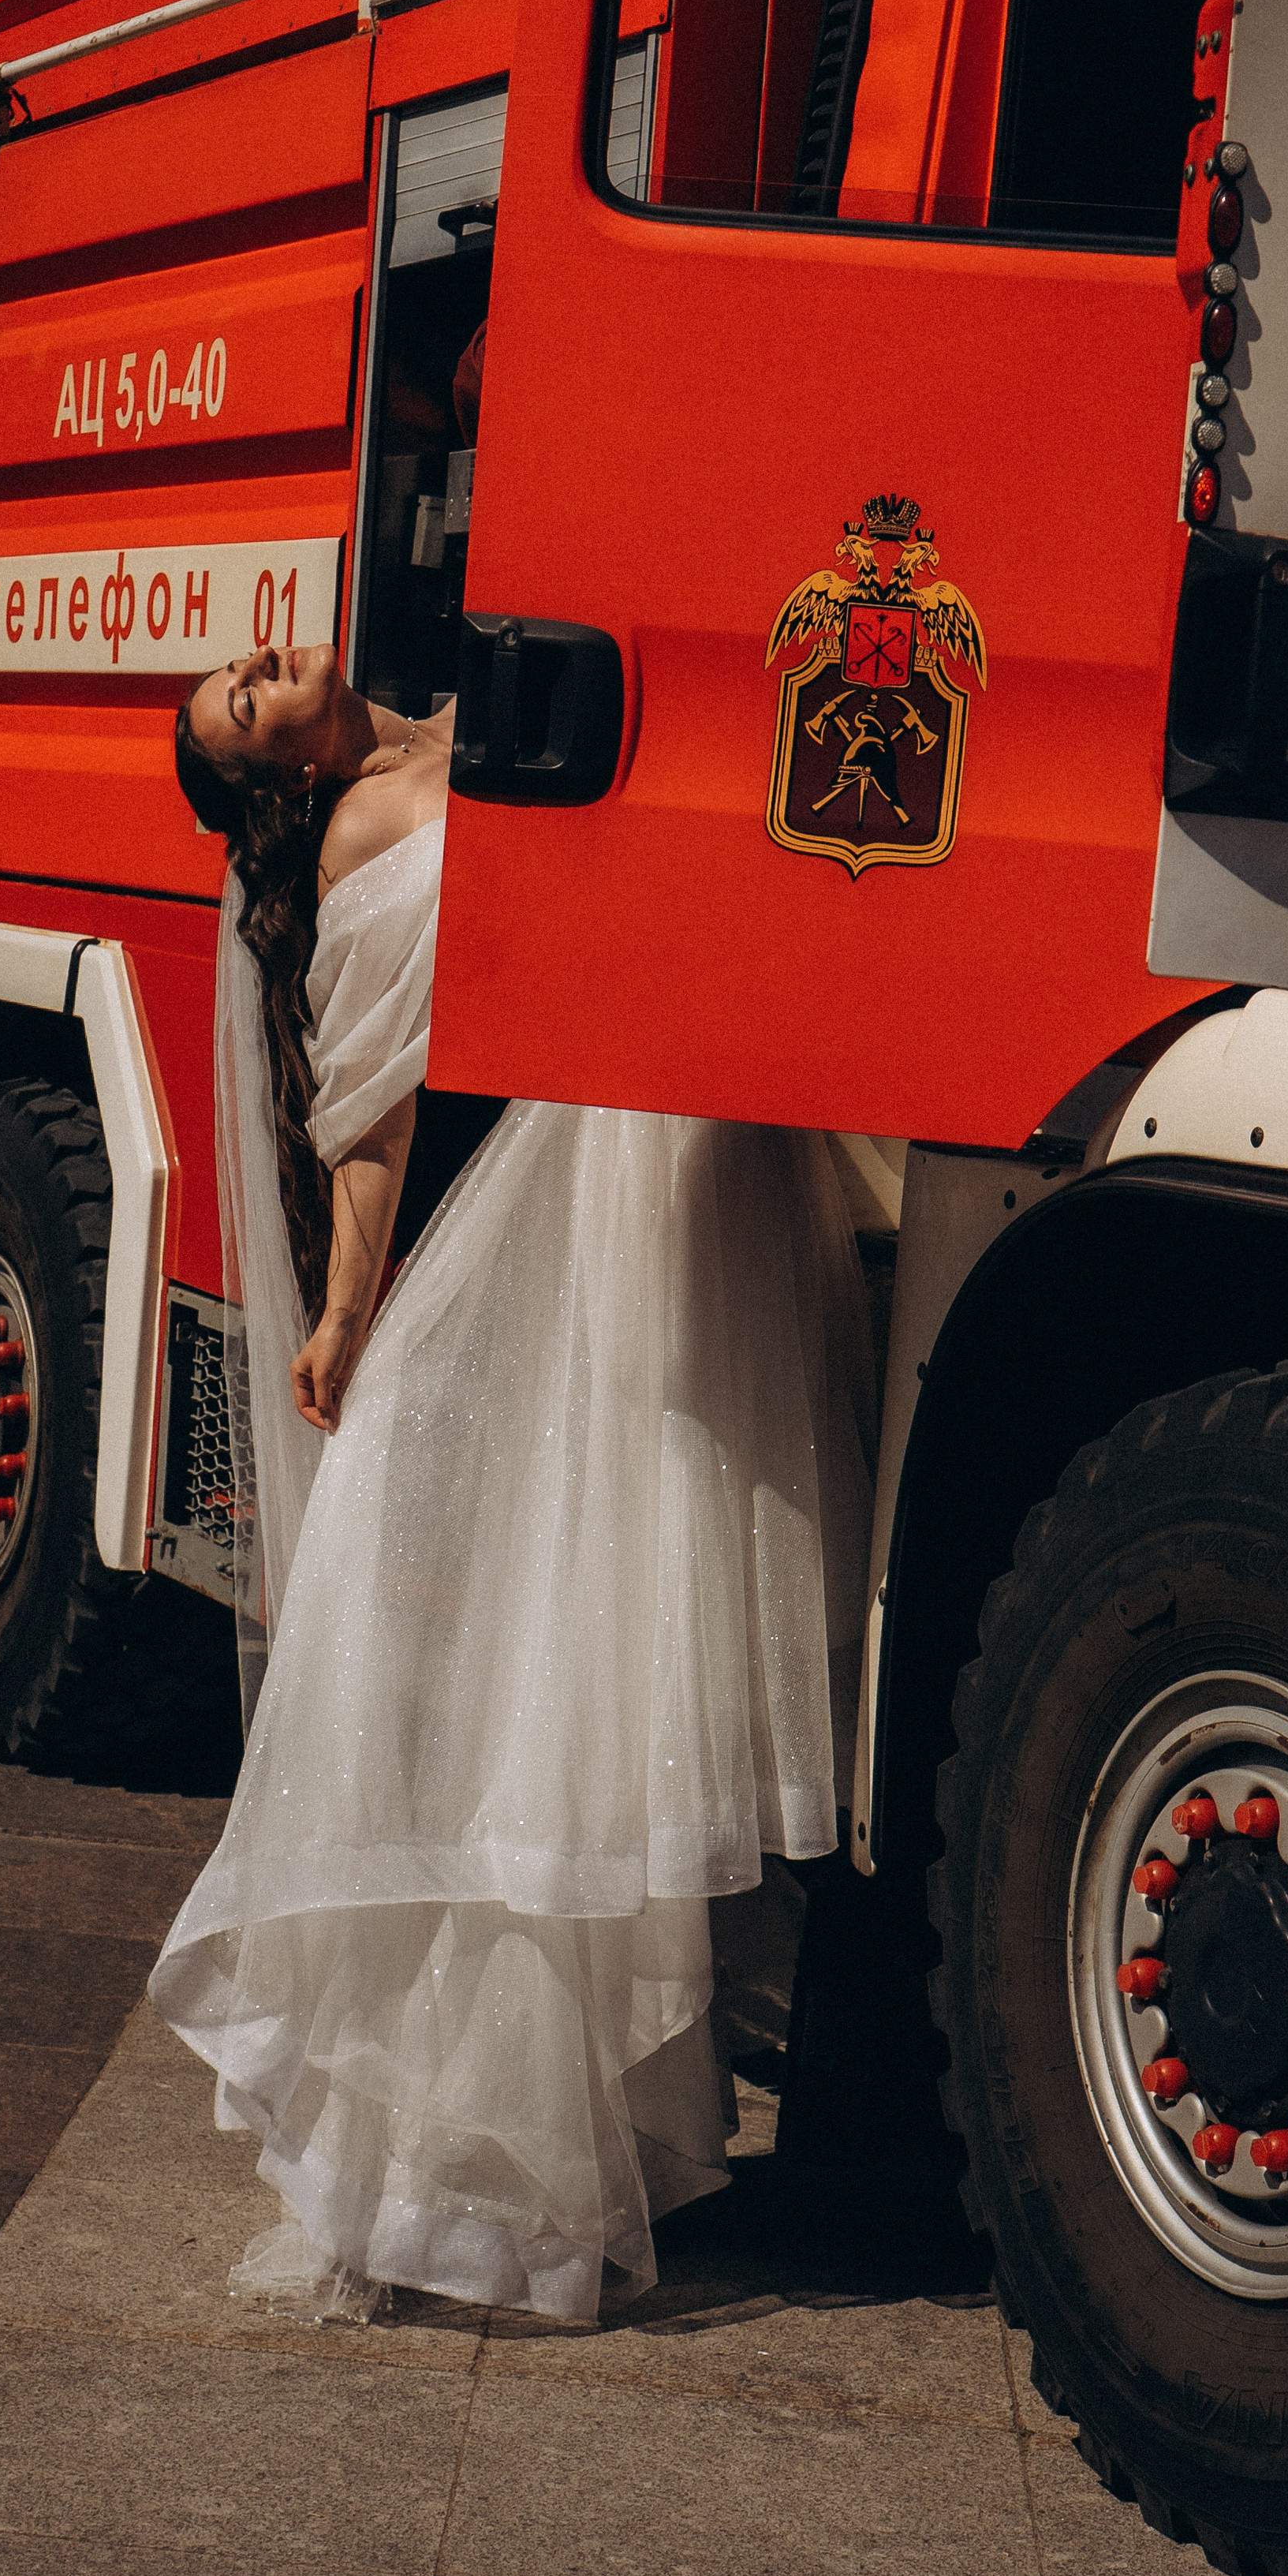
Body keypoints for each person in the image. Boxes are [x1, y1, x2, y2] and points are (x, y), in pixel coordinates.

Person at [151, 631, 875, 2323]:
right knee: (573, 1645)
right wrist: (342, 1315)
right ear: (287, 778)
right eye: (248, 704)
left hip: (693, 1132)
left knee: (633, 1632)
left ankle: (619, 2111)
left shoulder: (481, 720)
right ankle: (479, 2154)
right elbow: (373, 1111)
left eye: (241, 669)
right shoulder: (355, 832)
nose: (263, 659)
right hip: (593, 1176)